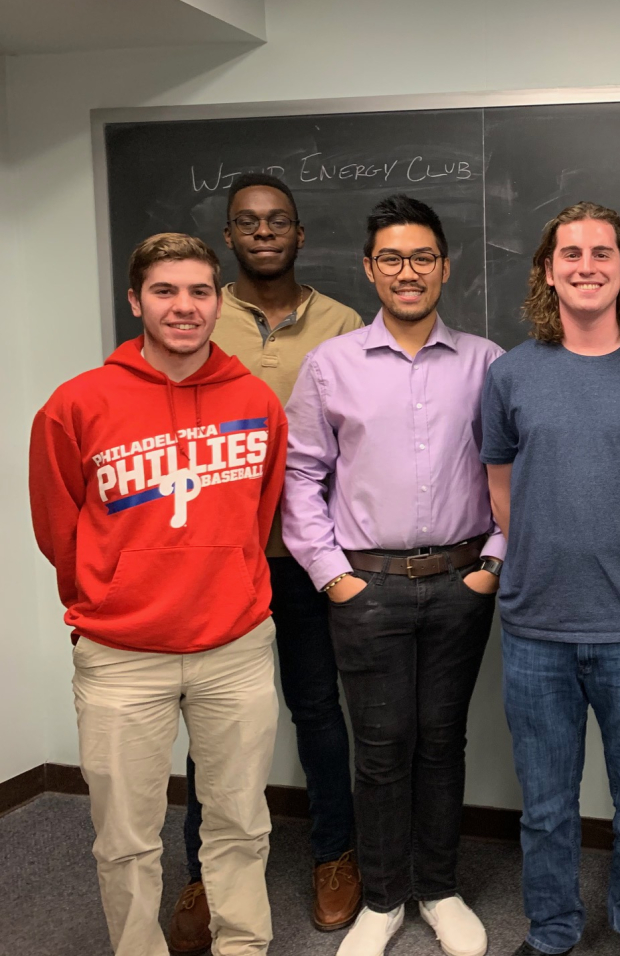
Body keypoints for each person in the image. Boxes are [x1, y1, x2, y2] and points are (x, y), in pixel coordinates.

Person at [29, 233, 287, 956]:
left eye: (200, 291)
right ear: (136, 299)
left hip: (234, 646)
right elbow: (57, 526)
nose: (184, 307)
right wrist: (111, 594)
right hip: (121, 656)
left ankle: (244, 946)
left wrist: (223, 578)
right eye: (166, 291)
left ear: (219, 300)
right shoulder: (76, 404)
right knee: (126, 838)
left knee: (241, 821)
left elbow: (257, 514)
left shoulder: (256, 400)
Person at [284, 195, 503, 956]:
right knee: (378, 747)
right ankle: (382, 898)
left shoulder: (487, 361)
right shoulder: (330, 363)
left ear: (444, 266)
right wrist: (329, 573)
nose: (407, 273)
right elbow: (300, 473)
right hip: (364, 588)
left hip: (459, 582)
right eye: (391, 259)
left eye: (421, 258)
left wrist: (495, 561)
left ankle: (439, 889)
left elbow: (518, 471)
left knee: (442, 742)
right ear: (369, 267)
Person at [480, 201, 620, 956]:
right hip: (536, 625)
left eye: (601, 252)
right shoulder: (509, 375)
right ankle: (552, 930)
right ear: (548, 270)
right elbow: (502, 488)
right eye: (569, 252)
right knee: (545, 805)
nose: (585, 265)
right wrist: (545, 552)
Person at [168, 172, 365, 953]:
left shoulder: (344, 320)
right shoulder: (198, 317)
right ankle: (201, 873)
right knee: (209, 721)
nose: (262, 232)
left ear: (300, 233)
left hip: (311, 556)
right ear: (227, 234)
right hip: (221, 556)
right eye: (246, 221)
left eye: (276, 220)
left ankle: (333, 853)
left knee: (317, 708)